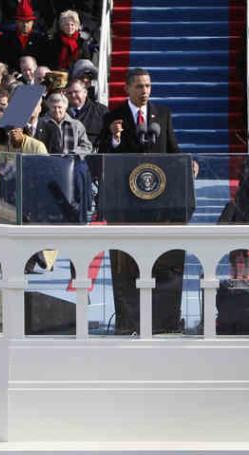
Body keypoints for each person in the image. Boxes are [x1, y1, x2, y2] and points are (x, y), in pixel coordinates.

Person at [99, 67, 187, 334]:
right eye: (139, 86)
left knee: (161, 262)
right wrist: (114, 139)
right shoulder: (113, 117)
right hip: (126, 204)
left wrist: (187, 165)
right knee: (128, 265)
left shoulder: (162, 115)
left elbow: (172, 150)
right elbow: (102, 153)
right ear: (126, 88)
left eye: (148, 86)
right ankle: (128, 321)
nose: (145, 91)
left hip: (159, 205)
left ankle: (164, 321)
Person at [0, 0, 49, 71]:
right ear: (16, 21)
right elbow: (0, 59)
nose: (25, 25)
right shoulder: (5, 38)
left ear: (33, 22)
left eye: (28, 22)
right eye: (22, 21)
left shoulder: (41, 38)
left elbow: (45, 61)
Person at [66, 79, 108, 148]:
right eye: (69, 93)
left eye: (76, 92)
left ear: (85, 92)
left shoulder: (101, 111)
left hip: (93, 155)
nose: (73, 95)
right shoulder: (60, 111)